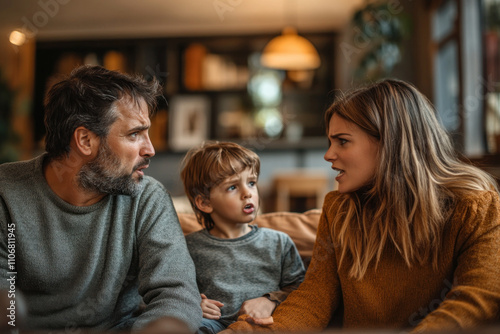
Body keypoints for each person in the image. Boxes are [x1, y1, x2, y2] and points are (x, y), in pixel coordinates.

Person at [222, 79, 500, 333]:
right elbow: (314, 298)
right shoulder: (339, 209)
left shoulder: (476, 207)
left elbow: (476, 299)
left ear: (390, 142)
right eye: (330, 142)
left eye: (342, 141)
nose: (328, 155)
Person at [0, 65, 202, 332]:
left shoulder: (147, 198)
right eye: (134, 134)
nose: (150, 149)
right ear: (85, 140)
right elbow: (5, 305)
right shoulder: (7, 194)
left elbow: (176, 293)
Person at [180, 141, 305, 334]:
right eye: (232, 187)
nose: (248, 193)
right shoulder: (189, 247)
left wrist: (270, 299)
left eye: (252, 183)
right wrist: (194, 304)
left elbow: (301, 289)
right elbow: (173, 291)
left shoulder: (279, 242)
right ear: (204, 202)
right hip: (214, 326)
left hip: (264, 324)